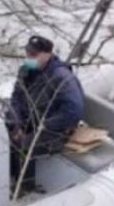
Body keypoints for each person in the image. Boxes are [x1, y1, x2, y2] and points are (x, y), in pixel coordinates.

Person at [6, 35, 84, 196]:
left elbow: (73, 111)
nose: (29, 58)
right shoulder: (26, 71)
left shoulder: (62, 78)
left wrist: (44, 127)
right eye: (28, 53)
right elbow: (17, 97)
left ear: (47, 54)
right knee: (7, 134)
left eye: (33, 55)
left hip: (53, 129)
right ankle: (9, 174)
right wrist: (16, 122)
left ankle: (26, 186)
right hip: (29, 120)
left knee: (24, 145)